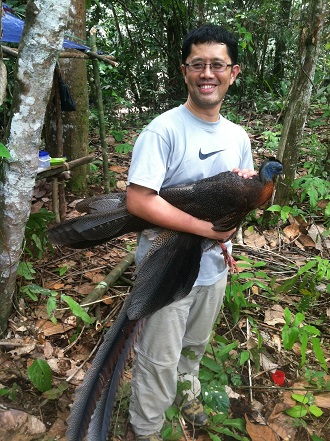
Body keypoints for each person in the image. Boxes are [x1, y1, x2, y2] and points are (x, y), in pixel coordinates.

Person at [126, 23, 255, 441]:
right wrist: (205, 229)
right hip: (167, 266)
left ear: (233, 73)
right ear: (184, 72)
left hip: (213, 270)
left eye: (217, 65)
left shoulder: (238, 136)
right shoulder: (162, 130)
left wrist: (227, 238)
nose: (207, 74)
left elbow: (245, 197)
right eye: (198, 64)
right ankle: (144, 431)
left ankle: (189, 393)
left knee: (194, 347)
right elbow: (139, 200)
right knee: (156, 359)